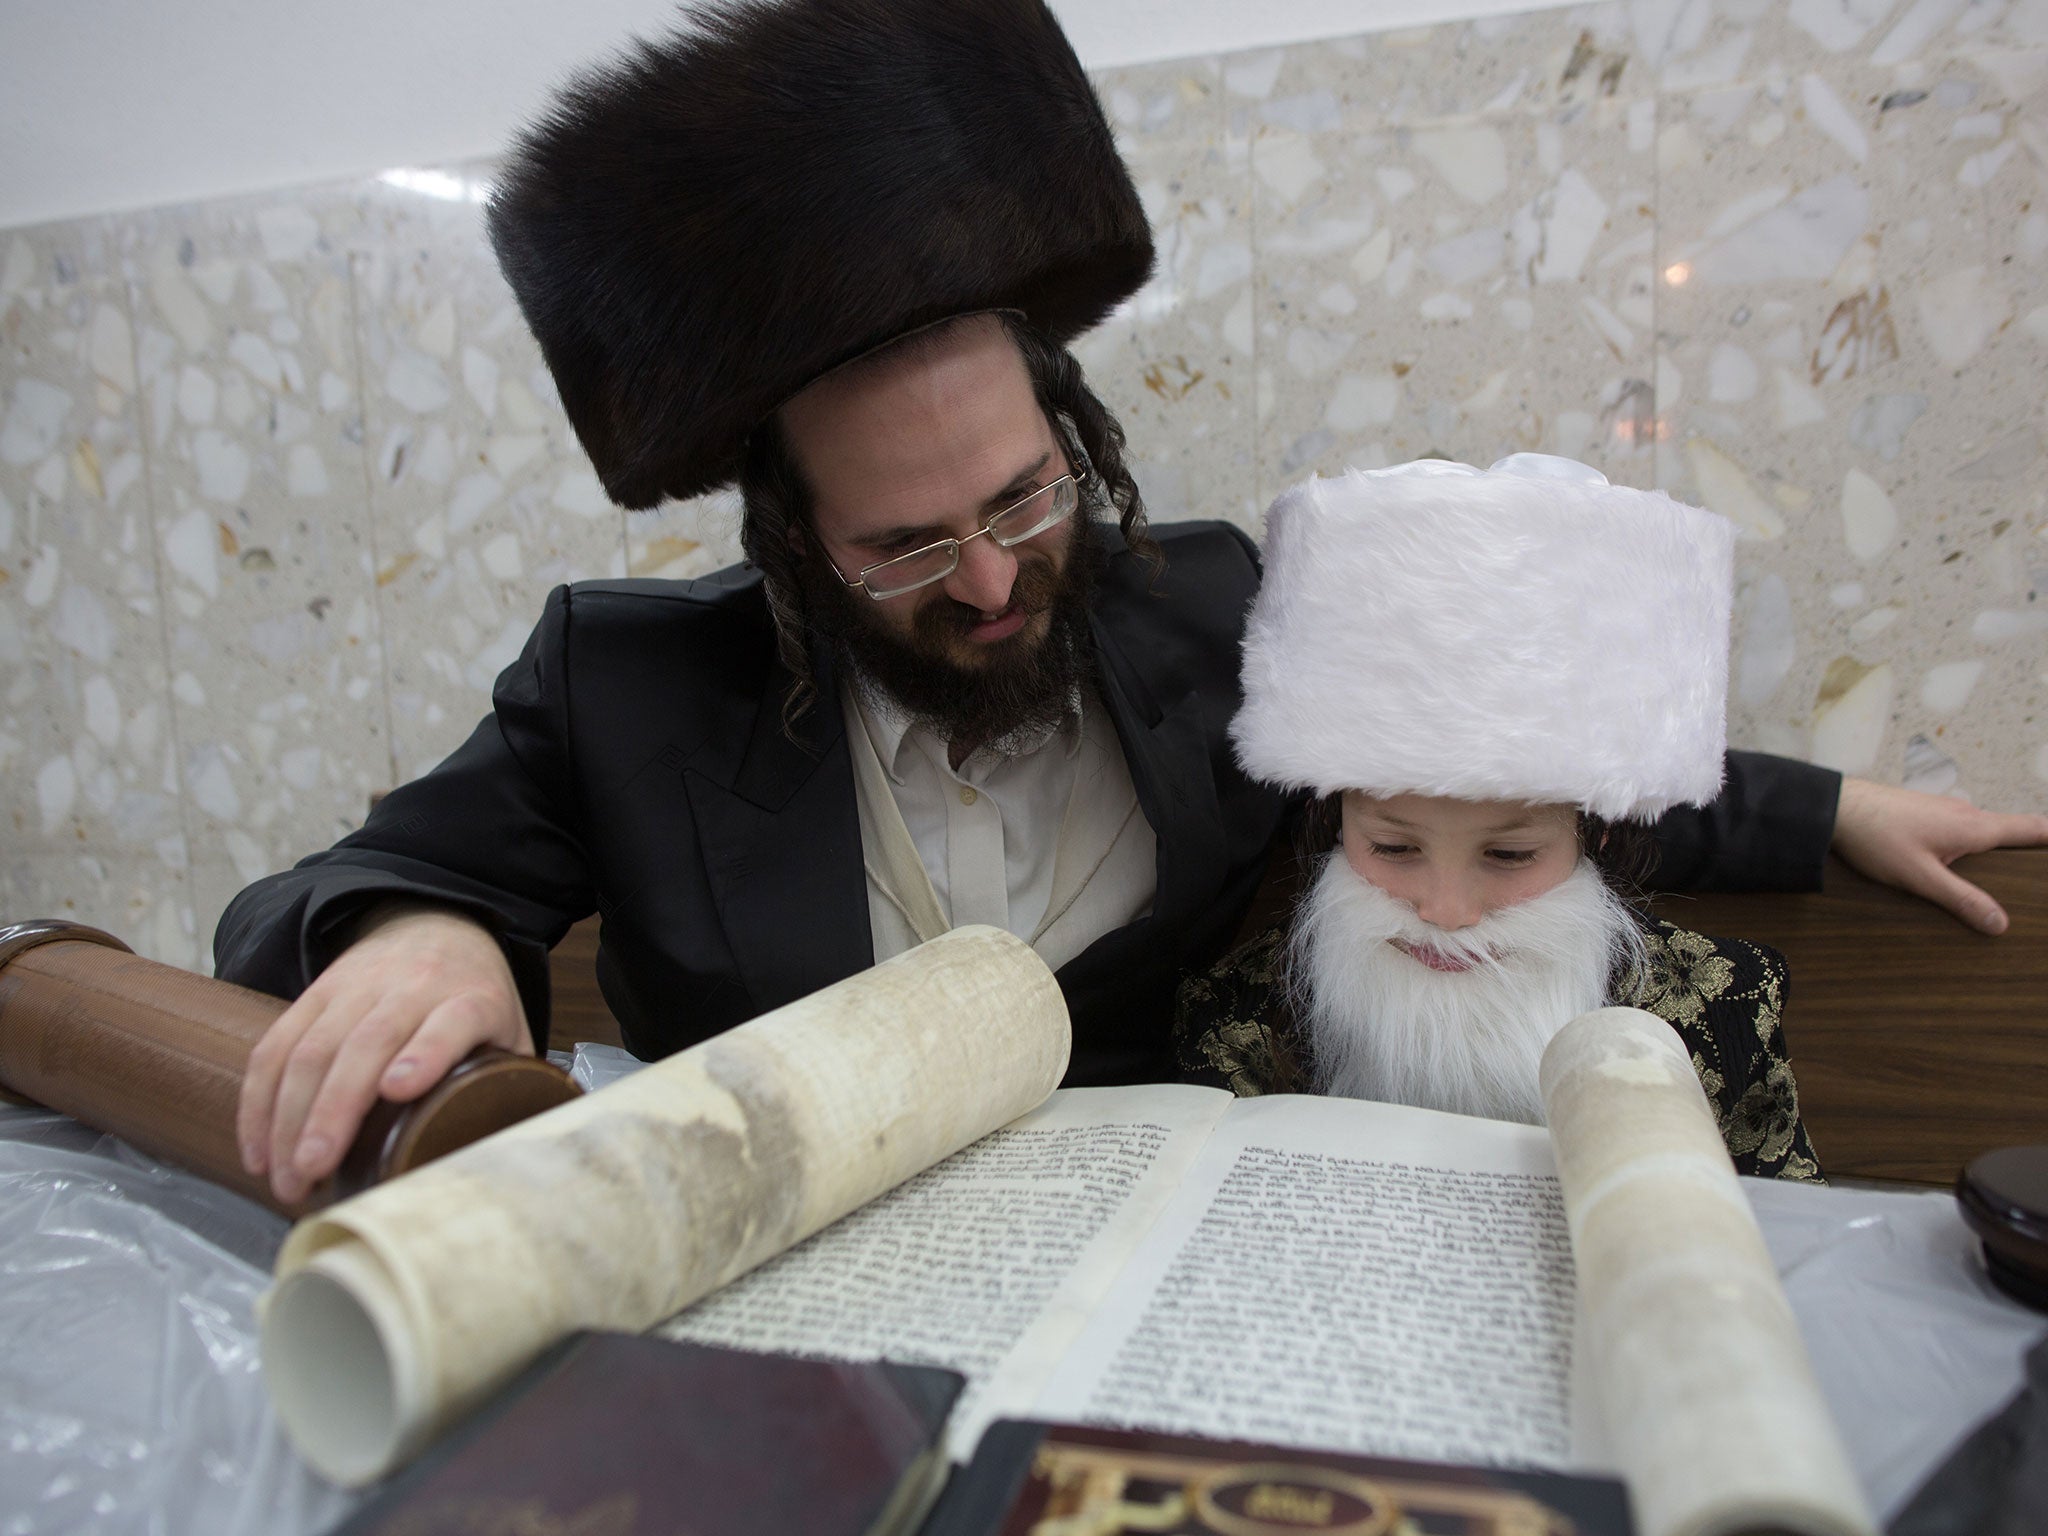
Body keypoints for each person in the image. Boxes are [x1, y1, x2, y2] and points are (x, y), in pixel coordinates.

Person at [220, 0, 2043, 1208]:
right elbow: (328, 891)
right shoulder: (621, 682)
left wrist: (1833, 806)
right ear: (789, 536)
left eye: (1024, 494)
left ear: (1074, 429)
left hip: (1155, 1255)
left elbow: (1497, 748)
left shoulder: (1215, 610)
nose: (999, 575)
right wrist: (417, 936)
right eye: (907, 548)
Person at [1176, 456, 1820, 1179]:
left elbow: (1785, 1244)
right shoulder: (1239, 1015)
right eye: (1392, 847)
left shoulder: (1725, 1008)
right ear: (1334, 821)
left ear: (1595, 834)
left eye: (1509, 856)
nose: (1445, 911)